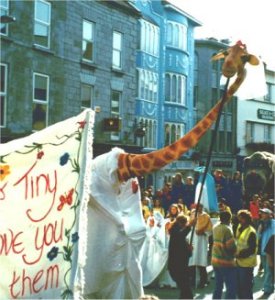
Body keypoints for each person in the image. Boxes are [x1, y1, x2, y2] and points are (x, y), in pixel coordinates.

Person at [211, 211, 237, 299]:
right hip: (226, 261)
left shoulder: (215, 227)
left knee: (218, 286)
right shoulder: (227, 229)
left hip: (215, 260)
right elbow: (231, 247)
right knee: (231, 286)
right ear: (229, 219)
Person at [168, 214, 194, 299]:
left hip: (181, 264)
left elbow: (185, 250)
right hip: (177, 265)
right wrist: (190, 226)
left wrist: (189, 249)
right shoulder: (175, 231)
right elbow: (181, 235)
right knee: (185, 288)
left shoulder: (178, 232)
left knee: (185, 289)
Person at [188, 204, 212, 289]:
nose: (199, 209)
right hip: (193, 238)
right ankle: (192, 281)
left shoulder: (206, 216)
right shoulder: (192, 214)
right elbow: (189, 226)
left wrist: (204, 232)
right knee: (192, 261)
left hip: (202, 240)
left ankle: (203, 281)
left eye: (201, 207)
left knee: (201, 261)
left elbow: (209, 229)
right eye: (197, 207)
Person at [235, 210, 257, 299]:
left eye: (240, 218)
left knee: (246, 288)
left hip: (247, 264)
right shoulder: (240, 227)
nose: (238, 219)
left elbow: (251, 249)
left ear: (245, 219)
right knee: (239, 287)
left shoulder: (251, 232)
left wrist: (239, 254)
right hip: (238, 262)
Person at [257, 208, 275, 298]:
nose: (262, 215)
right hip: (263, 251)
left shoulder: (273, 223)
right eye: (262, 213)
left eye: (264, 213)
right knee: (267, 270)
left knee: (269, 270)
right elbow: (257, 237)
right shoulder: (262, 225)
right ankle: (270, 286)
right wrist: (260, 231)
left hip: (271, 251)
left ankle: (267, 288)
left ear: (269, 215)